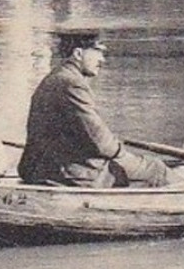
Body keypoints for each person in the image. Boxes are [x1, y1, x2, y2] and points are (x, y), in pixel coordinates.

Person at [18, 29, 173, 188]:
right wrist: (124, 154)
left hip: (40, 168)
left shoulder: (56, 77)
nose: (102, 60)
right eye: (97, 52)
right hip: (65, 173)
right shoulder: (71, 84)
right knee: (157, 169)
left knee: (143, 165)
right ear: (78, 54)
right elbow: (100, 142)